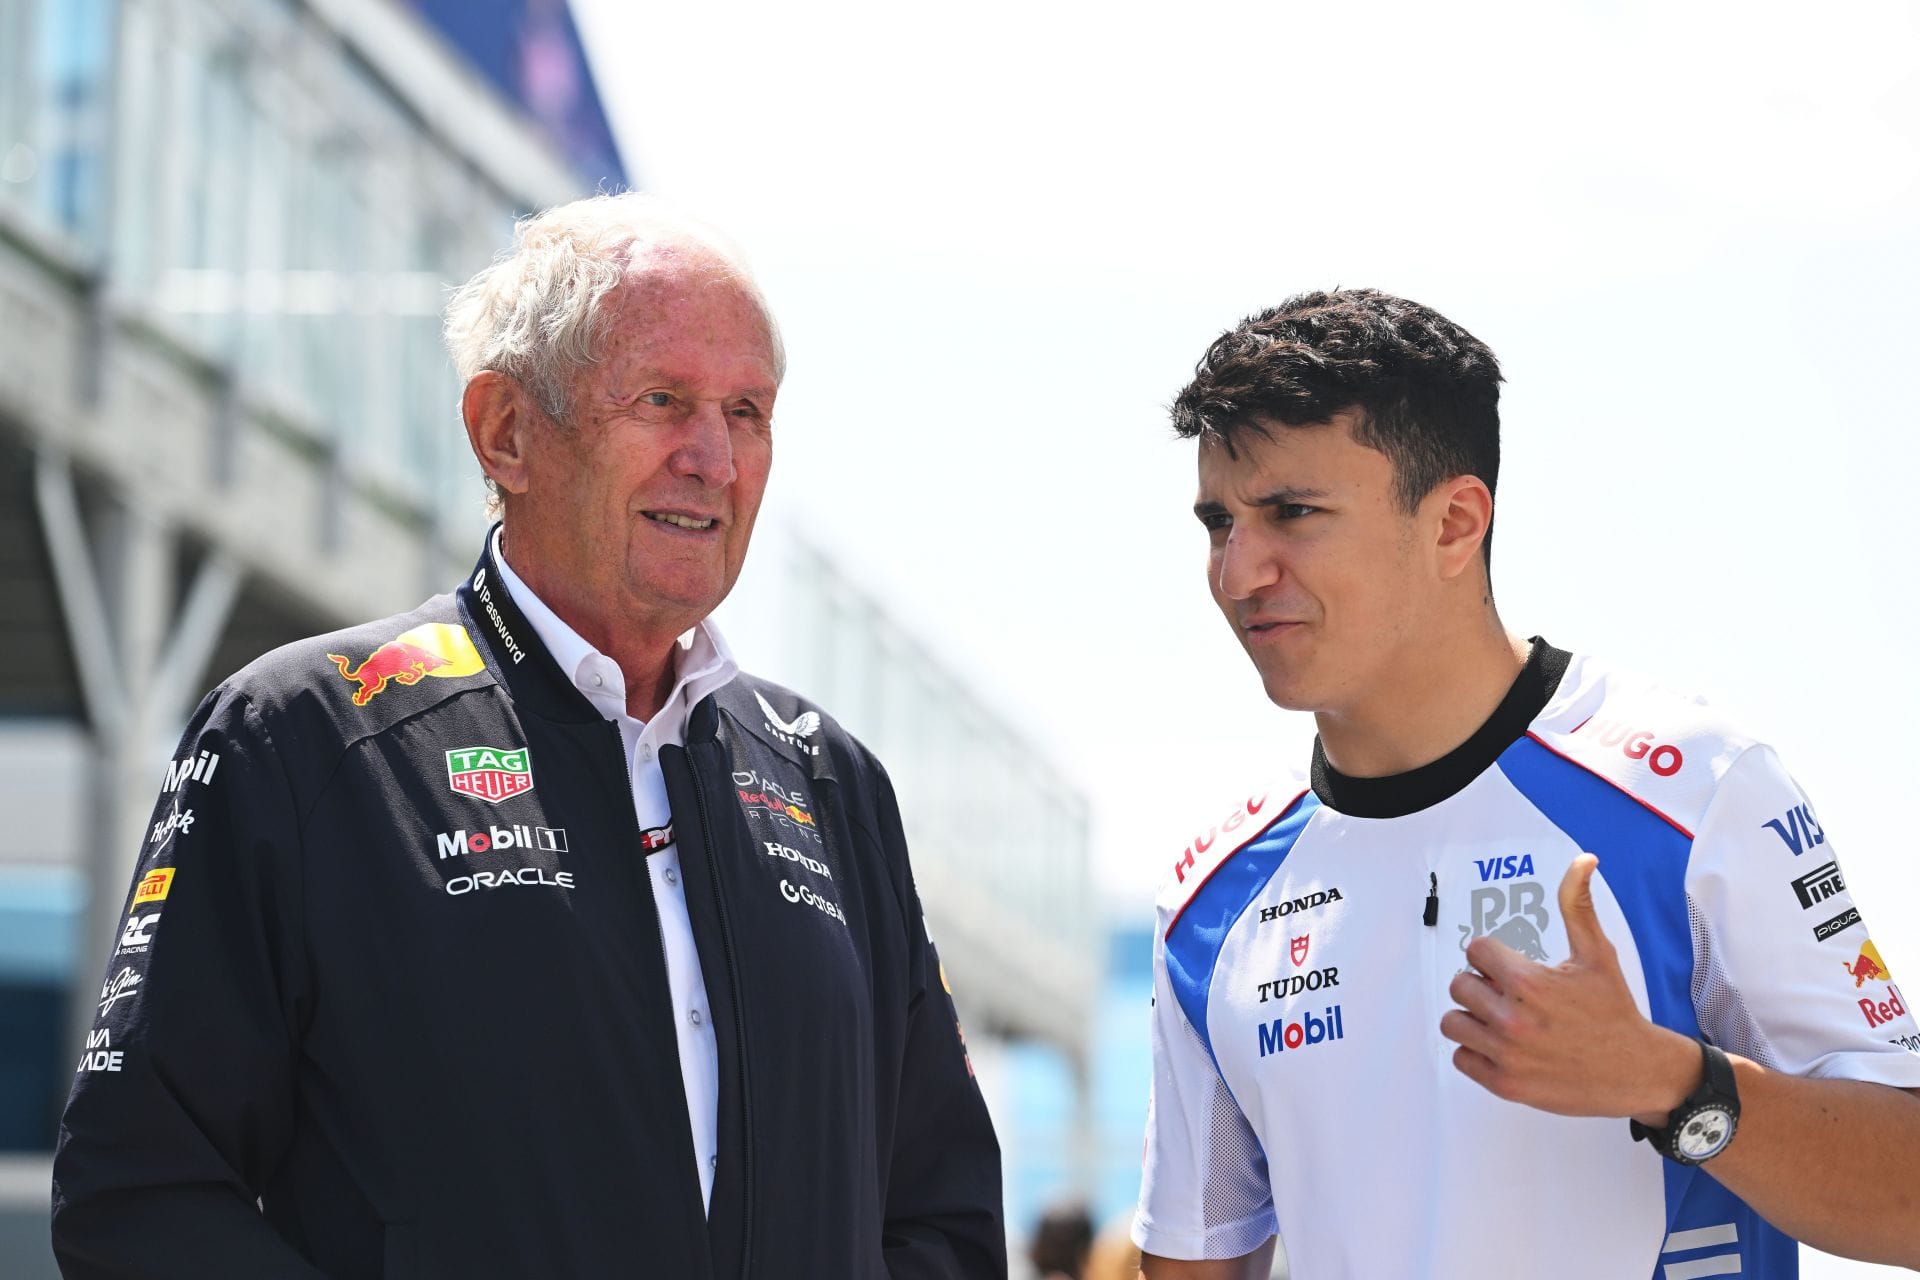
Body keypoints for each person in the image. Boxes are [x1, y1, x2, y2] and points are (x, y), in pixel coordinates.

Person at [51, 194, 1005, 1279]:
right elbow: (139, 1194)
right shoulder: (303, 738)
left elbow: (944, 1217)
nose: (714, 459)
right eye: (662, 400)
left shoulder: (829, 780)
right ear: (506, 432)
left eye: (747, 411)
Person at [1131, 289, 1920, 1278]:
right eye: (1219, 522)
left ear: (1455, 523)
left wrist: (1675, 1083)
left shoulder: (1693, 788)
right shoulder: (1209, 898)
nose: (1239, 572)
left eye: (1292, 513)